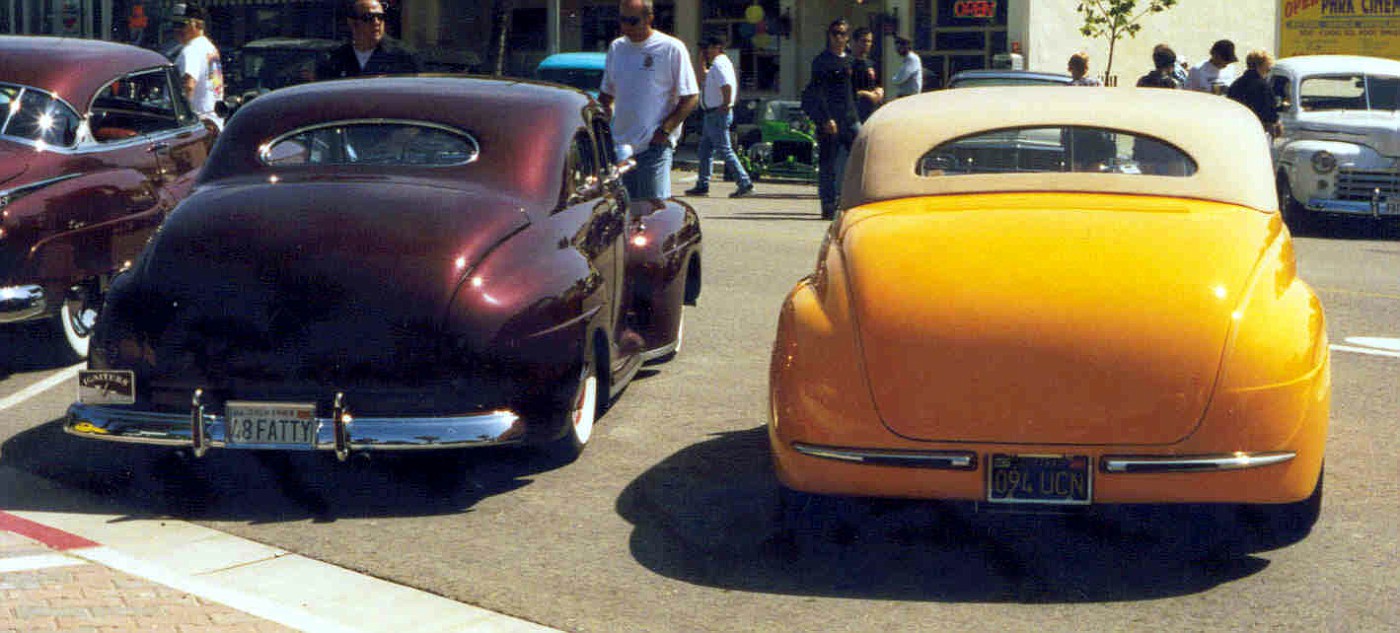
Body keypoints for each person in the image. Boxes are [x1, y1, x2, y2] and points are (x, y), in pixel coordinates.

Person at [599, 0, 699, 201]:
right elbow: (606, 96)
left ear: (649, 18)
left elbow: (690, 97)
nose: (626, 27)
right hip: (621, 148)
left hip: (654, 147)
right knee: (624, 212)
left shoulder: (671, 48)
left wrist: (664, 132)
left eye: (633, 21)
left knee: (653, 210)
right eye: (622, 20)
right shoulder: (617, 48)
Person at [684, 36, 754, 198]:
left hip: (717, 113)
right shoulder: (717, 65)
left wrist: (726, 103)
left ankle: (745, 182)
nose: (706, 51)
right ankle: (702, 184)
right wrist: (701, 61)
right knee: (705, 150)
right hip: (711, 114)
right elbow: (702, 78)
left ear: (718, 47)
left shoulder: (719, 64)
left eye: (708, 48)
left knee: (724, 150)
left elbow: (727, 85)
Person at [805, 18, 861, 220]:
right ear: (829, 36)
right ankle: (828, 204)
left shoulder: (851, 60)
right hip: (830, 121)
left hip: (850, 118)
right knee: (828, 164)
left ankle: (853, 201)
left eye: (843, 34)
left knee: (859, 161)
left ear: (848, 37)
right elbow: (817, 92)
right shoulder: (822, 61)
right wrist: (826, 119)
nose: (839, 37)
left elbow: (854, 90)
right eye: (835, 33)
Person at [319, 0, 423, 79]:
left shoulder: (404, 57)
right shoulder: (335, 60)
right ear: (352, 23)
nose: (376, 22)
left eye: (380, 17)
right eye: (369, 17)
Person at [172, 3, 224, 129]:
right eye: (174, 24)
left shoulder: (191, 50)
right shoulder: (209, 48)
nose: (176, 30)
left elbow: (188, 85)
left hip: (197, 126)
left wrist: (182, 120)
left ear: (198, 25)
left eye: (182, 25)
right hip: (213, 123)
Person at [1228, 49, 1283, 137]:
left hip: (1238, 128)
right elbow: (1269, 111)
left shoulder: (1235, 84)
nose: (1270, 67)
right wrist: (1277, 124)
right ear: (1260, 65)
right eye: (1268, 64)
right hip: (1259, 129)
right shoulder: (1263, 86)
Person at [849, 27, 883, 122]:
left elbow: (878, 83)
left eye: (869, 41)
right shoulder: (848, 64)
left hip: (872, 110)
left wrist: (879, 91)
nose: (867, 44)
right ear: (855, 42)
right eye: (863, 41)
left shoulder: (871, 64)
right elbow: (848, 91)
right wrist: (867, 94)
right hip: (856, 111)